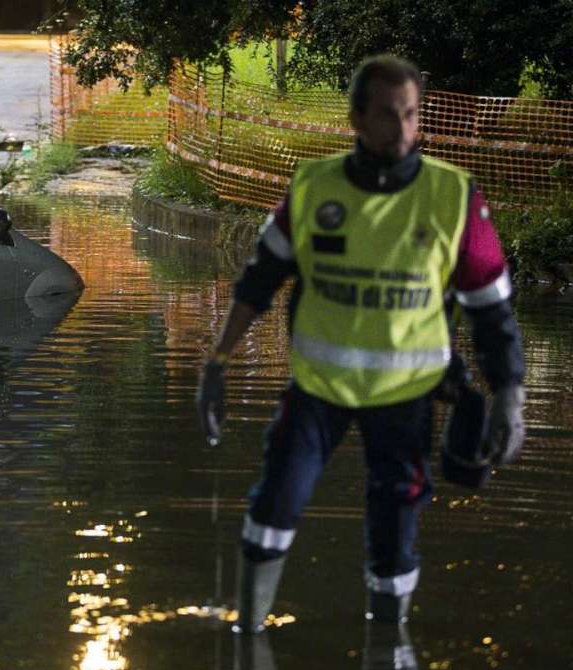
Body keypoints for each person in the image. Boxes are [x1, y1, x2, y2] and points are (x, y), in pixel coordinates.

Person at [196, 54, 525, 633]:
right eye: (386, 115)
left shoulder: (453, 198)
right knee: (274, 504)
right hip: (318, 391)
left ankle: (390, 655)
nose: (400, 130)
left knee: (395, 529)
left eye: (411, 115)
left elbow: (491, 310)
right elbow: (259, 280)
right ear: (355, 118)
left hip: (407, 395)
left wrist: (510, 397)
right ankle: (248, 648)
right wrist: (218, 362)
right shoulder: (313, 188)